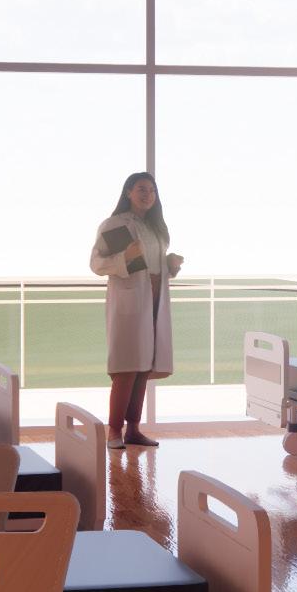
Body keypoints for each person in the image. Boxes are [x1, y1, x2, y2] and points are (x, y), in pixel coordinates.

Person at [89, 172, 183, 450]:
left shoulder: (155, 228)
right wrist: (124, 257)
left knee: (143, 367)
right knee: (126, 367)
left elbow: (151, 265)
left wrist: (170, 265)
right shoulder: (116, 224)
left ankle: (133, 429)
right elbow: (96, 263)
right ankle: (113, 431)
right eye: (142, 189)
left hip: (154, 300)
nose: (148, 195)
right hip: (129, 302)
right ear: (128, 192)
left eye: (152, 190)